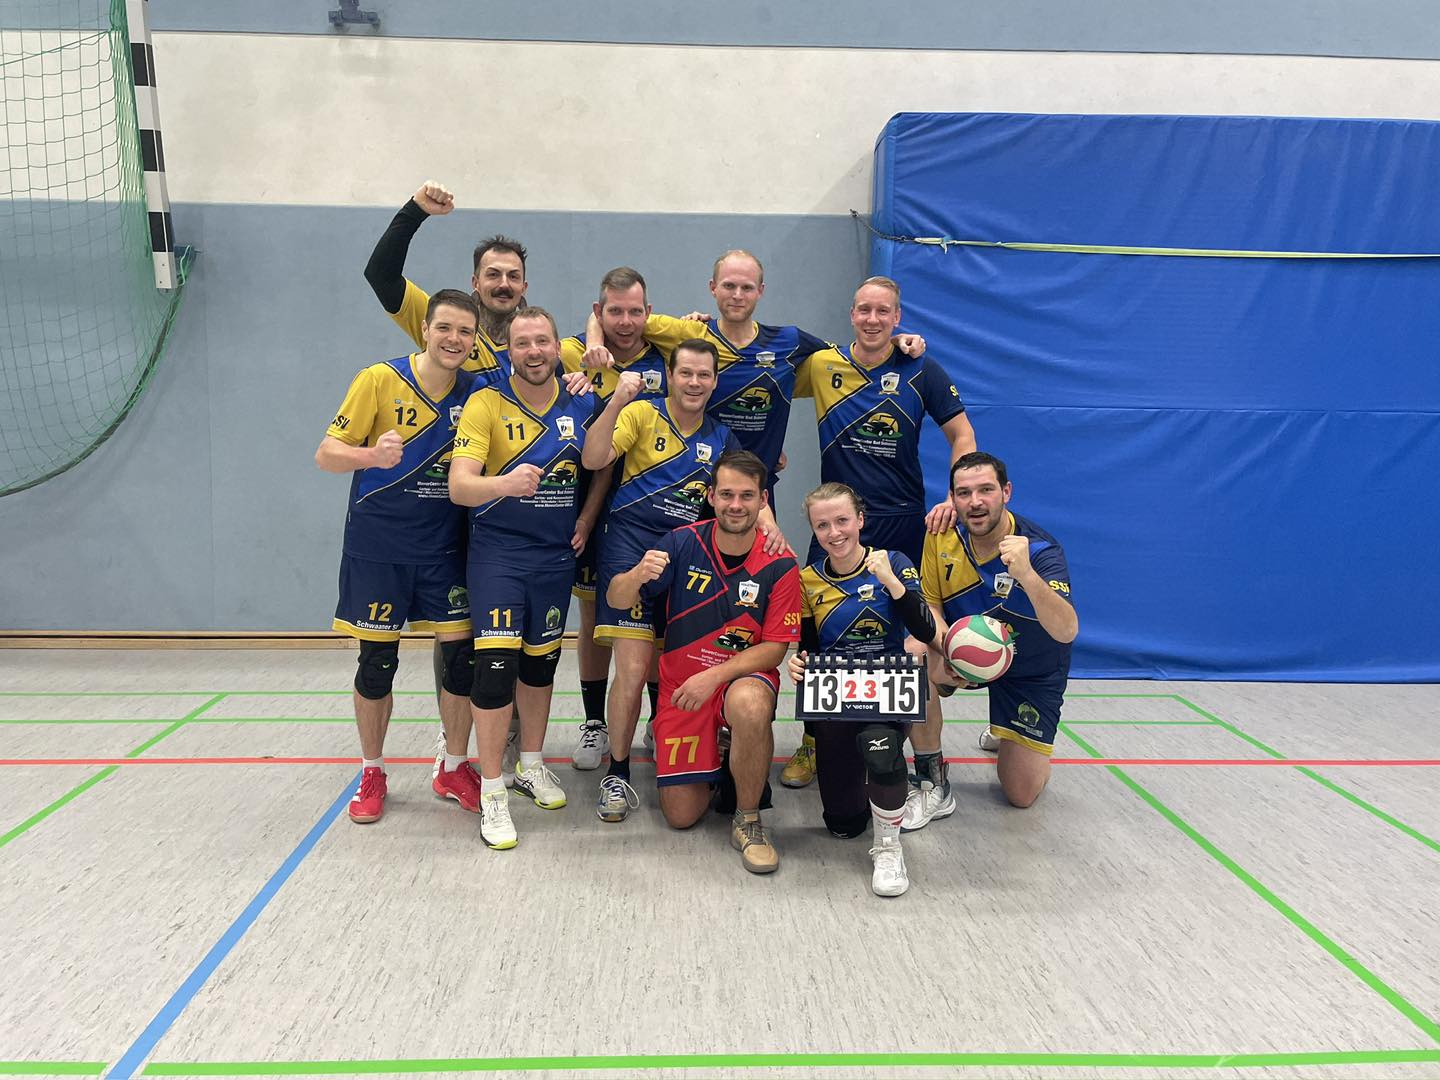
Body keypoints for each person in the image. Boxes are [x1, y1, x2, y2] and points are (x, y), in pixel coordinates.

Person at [786, 276, 976, 789]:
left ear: (897, 317)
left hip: (901, 520)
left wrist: (953, 495)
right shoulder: (824, 364)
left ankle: (909, 753)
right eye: (864, 310)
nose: (873, 319)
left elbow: (962, 434)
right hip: (837, 522)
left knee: (910, 636)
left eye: (883, 312)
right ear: (851, 314)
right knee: (818, 633)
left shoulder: (921, 369)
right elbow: (757, 374)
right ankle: (814, 741)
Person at [314, 289, 484, 824]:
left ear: (474, 340)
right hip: (379, 549)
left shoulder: (478, 391)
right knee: (376, 664)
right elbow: (326, 454)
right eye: (445, 328)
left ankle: (453, 766)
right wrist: (372, 455)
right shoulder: (378, 380)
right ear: (425, 330)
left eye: (464, 332)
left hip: (446, 550)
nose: (454, 339)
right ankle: (372, 770)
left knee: (461, 663)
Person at [581, 340, 769, 822]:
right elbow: (593, 457)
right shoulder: (642, 414)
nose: (694, 382)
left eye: (703, 375)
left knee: (673, 661)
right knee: (634, 663)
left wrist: (775, 535)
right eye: (685, 373)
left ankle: (663, 734)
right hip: (629, 544)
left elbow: (748, 494)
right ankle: (617, 773)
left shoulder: (721, 437)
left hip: (686, 551)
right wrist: (619, 399)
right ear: (669, 374)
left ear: (713, 381)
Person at [448, 307, 606, 849]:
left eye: (543, 341)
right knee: (495, 669)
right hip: (498, 557)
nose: (534, 352)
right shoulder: (485, 402)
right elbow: (459, 488)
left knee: (541, 666)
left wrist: (585, 518)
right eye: (523, 344)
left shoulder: (583, 399)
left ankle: (530, 765)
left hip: (555, 559)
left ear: (557, 348)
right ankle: (492, 788)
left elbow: (603, 460)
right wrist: (504, 483)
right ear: (508, 351)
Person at [606, 450, 801, 874]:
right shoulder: (682, 543)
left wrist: (713, 677)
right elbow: (616, 600)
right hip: (684, 691)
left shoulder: (781, 563)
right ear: (710, 496)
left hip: (737, 679)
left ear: (762, 500)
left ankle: (748, 820)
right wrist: (637, 574)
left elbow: (775, 649)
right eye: (727, 494)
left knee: (749, 706)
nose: (736, 504)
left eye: (747, 496)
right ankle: (728, 756)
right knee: (680, 817)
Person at [907, 451, 1079, 827]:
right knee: (914, 653)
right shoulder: (941, 535)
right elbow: (931, 608)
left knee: (1020, 794)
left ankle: (1010, 731)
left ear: (1006, 492)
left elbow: (1067, 630)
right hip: (961, 653)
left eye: (986, 490)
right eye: (964, 493)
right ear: (952, 499)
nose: (976, 501)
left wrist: (1028, 575)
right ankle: (932, 778)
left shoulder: (1039, 549)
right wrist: (949, 651)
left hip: (1030, 669)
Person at [788, 482, 941, 896]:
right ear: (814, 531)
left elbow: (925, 630)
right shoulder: (806, 580)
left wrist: (892, 582)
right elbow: (809, 646)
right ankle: (879, 794)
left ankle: (888, 846)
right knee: (843, 824)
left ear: (860, 519)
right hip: (836, 693)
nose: (834, 533)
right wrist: (798, 663)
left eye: (842, 521)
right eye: (822, 526)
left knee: (880, 746)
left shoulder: (892, 561)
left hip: (887, 687)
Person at [559, 268, 669, 771]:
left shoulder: (665, 357)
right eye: (614, 312)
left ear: (649, 313)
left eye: (635, 311)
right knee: (591, 618)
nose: (626, 321)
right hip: (582, 494)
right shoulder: (569, 352)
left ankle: (651, 717)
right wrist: (589, 343)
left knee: (655, 618)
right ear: (598, 312)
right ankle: (593, 722)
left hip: (648, 504)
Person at [363, 179, 526, 377]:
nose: (504, 284)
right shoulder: (445, 324)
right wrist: (414, 211)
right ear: (475, 282)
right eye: (493, 274)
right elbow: (381, 276)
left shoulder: (537, 346)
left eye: (513, 276)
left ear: (524, 287)